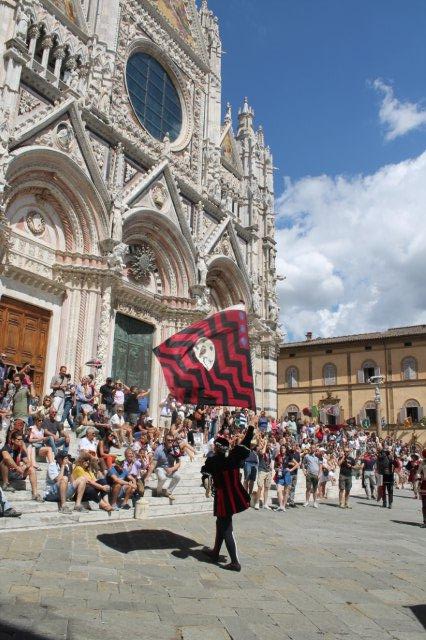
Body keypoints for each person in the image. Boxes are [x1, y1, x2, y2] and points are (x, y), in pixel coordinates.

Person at [201, 422, 255, 572]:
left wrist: (206, 482)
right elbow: (246, 442)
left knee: (226, 528)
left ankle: (235, 562)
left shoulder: (213, 461)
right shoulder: (235, 456)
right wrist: (251, 428)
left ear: (217, 447)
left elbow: (206, 476)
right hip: (235, 496)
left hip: (223, 498)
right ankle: (215, 552)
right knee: (221, 523)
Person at [0, 431, 42, 501]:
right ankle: (6, 484)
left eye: (21, 439)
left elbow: (28, 462)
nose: (21, 441)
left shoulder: (21, 450)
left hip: (15, 472)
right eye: (18, 439)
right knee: (4, 462)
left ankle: (35, 494)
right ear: (13, 440)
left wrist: (24, 467)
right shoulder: (6, 447)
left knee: (31, 469)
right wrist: (17, 467)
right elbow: (6, 457)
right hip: (3, 473)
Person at [145, 434, 181, 500]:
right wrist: (147, 476)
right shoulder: (159, 449)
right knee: (162, 478)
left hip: (170, 468)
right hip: (160, 468)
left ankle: (169, 492)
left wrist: (172, 469)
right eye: (168, 440)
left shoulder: (175, 448)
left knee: (178, 476)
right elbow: (153, 464)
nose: (170, 441)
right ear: (165, 440)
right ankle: (159, 492)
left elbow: (178, 463)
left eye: (172, 440)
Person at [419, 448, 426, 528]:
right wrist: (419, 477)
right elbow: (418, 473)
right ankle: (425, 521)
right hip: (424, 484)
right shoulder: (422, 463)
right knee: (424, 504)